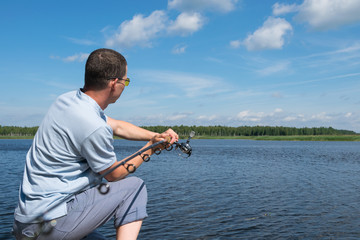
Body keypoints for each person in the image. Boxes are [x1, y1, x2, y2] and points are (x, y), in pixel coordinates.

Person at [12, 48, 178, 240]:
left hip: (25, 223)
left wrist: (156, 136)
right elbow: (114, 175)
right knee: (135, 188)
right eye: (126, 81)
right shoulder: (92, 125)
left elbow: (117, 126)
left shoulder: (67, 101)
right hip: (50, 225)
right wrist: (151, 147)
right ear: (114, 83)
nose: (125, 85)